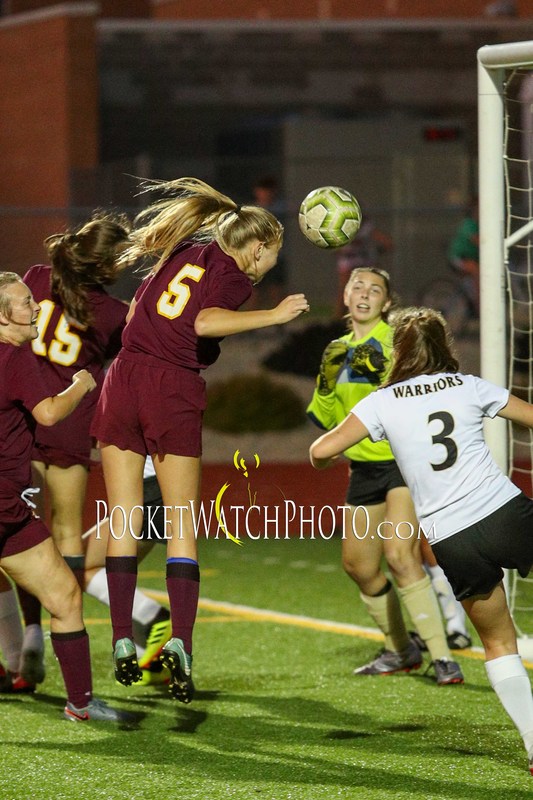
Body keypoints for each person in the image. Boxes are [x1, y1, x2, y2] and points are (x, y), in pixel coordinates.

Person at [90, 176, 309, 703]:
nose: (267, 268)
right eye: (271, 258)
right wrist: (273, 315)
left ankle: (122, 636)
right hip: (169, 385)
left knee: (123, 517)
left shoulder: (188, 248)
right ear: (257, 247)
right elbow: (206, 320)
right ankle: (181, 644)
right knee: (181, 524)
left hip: (121, 379)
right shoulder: (235, 275)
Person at [310, 306, 533, 774]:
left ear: (399, 351)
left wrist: (331, 456)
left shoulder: (381, 402)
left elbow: (321, 451)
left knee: (498, 643)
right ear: (444, 344)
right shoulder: (469, 386)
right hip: (505, 513)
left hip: (454, 539)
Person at [307, 268, 464, 685]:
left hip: (402, 464)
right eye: (357, 286)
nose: (364, 293)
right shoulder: (335, 351)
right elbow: (325, 415)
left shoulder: (396, 345)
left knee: (400, 554)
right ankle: (401, 651)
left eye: (375, 289)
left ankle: (445, 657)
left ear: (386, 303)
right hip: (363, 469)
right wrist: (327, 415)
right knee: (359, 566)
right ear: (344, 294)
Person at [0, 271, 126, 721]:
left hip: (9, 513)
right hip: (3, 509)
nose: (34, 307)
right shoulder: (15, 358)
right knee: (66, 599)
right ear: (2, 317)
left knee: (65, 598)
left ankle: (73, 698)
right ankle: (81, 704)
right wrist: (80, 385)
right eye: (23, 303)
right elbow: (50, 414)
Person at [17, 213, 131, 686]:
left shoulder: (39, 278)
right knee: (66, 534)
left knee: (23, 530)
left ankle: (28, 639)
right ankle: (68, 645)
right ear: (108, 265)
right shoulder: (113, 313)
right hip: (68, 422)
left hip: (19, 414)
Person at [83, 456, 172, 686]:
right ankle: (154, 661)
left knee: (79, 567)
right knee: (113, 573)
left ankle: (152, 617)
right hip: (166, 488)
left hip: (145, 491)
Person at [334, 215, 392, 319]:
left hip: (364, 259)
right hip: (349, 259)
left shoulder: (365, 225)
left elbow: (386, 242)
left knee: (376, 283)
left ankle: (379, 313)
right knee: (344, 288)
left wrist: (379, 250)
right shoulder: (340, 224)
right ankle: (338, 318)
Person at [447, 196, 479, 317]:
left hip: (471, 259)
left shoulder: (480, 224)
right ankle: (479, 306)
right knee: (477, 272)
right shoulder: (468, 224)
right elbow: (477, 240)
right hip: (458, 258)